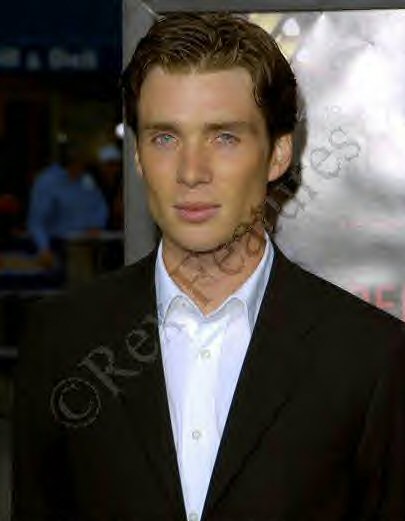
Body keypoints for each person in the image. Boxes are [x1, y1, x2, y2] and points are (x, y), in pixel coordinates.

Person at [13, 13, 405, 521]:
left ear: (278, 154)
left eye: (224, 137)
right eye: (165, 138)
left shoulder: (369, 356)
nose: (191, 172)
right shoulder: (61, 338)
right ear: (138, 156)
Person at [27, 143, 108, 268]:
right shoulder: (47, 182)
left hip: (87, 244)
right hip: (58, 246)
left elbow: (99, 204)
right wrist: (43, 248)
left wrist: (97, 224)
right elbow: (37, 221)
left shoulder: (85, 179)